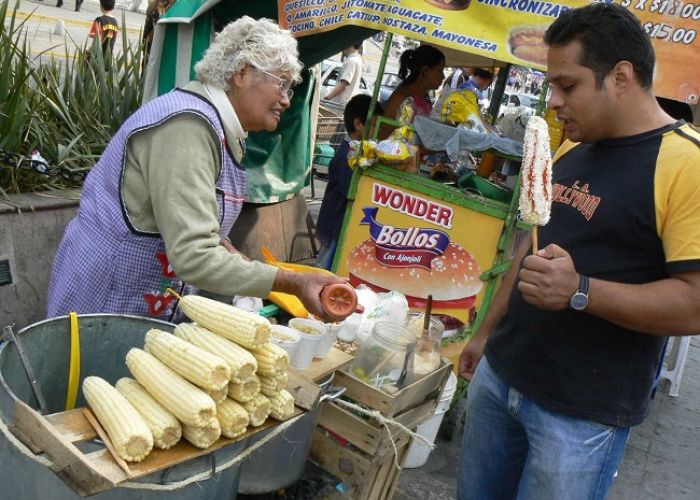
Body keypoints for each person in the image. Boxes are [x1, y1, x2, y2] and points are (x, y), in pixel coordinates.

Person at [457, 4, 700, 500]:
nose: (554, 102)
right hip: (502, 376)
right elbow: (529, 246)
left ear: (621, 77)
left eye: (567, 86)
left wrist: (580, 291)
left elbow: (694, 303)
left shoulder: (685, 164)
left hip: (580, 416)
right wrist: (485, 333)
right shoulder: (571, 148)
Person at [47, 16, 354, 323]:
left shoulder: (219, 128)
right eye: (282, 84)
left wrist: (229, 252)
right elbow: (193, 255)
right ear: (243, 72)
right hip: (106, 299)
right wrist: (293, 283)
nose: (287, 100)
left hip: (144, 299)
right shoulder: (187, 127)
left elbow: (189, 220)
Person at [315, 95, 384, 270]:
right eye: (374, 124)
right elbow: (349, 190)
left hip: (334, 225)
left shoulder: (355, 151)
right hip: (334, 226)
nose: (377, 131)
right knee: (325, 269)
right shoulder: (348, 154)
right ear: (359, 124)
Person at [380, 45, 445, 137]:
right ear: (425, 70)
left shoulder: (425, 98)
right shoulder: (401, 98)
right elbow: (383, 136)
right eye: (440, 70)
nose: (443, 76)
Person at [142, 0, 175, 71]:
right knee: (147, 69)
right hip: (151, 44)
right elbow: (147, 30)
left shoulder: (175, 7)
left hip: (165, 47)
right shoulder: (153, 7)